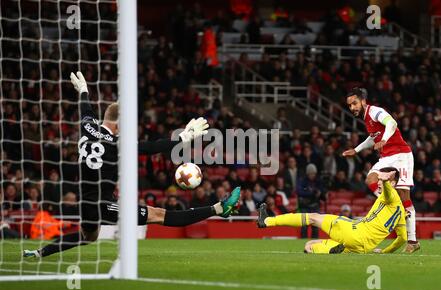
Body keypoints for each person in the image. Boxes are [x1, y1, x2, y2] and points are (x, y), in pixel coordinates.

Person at [23, 71, 241, 259]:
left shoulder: (87, 127)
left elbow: (85, 110)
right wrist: (182, 138)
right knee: (158, 214)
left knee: (87, 237)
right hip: (101, 203)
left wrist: (83, 91)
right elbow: (152, 147)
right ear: (119, 125)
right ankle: (219, 208)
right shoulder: (118, 143)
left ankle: (42, 252)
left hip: (86, 203)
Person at [257, 168, 407, 254]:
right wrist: (384, 252)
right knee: (308, 245)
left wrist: (386, 180)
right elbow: (403, 239)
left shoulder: (391, 194)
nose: (378, 182)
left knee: (313, 218)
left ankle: (268, 221)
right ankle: (331, 250)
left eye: (381, 180)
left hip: (353, 231)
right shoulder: (399, 211)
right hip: (361, 246)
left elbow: (388, 192)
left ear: (392, 183)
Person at [342, 87, 419, 253]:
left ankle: (412, 241)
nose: (352, 107)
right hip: (386, 157)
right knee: (370, 179)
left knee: (405, 196)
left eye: (354, 103)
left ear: (363, 101)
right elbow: (372, 137)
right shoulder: (366, 118)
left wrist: (384, 140)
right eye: (349, 105)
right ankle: (391, 202)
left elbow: (392, 123)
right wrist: (356, 150)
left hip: (402, 155)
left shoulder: (375, 111)